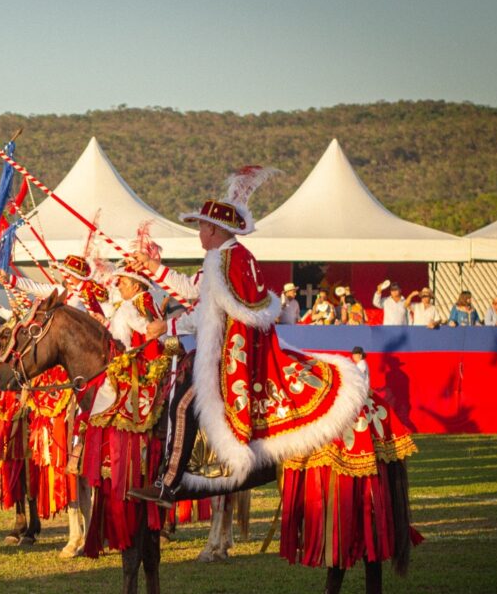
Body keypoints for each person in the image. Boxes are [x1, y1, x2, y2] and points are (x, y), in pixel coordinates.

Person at [126, 166, 367, 507]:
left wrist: (166, 327)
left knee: (180, 405)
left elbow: (207, 314)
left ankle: (169, 483)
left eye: (202, 227)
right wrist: (152, 269)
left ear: (213, 229)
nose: (199, 233)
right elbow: (194, 291)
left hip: (223, 357)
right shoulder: (231, 258)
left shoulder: (221, 262)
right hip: (230, 349)